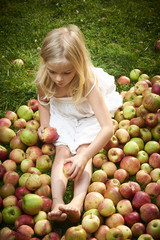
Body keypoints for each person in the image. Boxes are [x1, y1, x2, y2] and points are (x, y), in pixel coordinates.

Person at [35, 24, 123, 223]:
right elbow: (43, 102)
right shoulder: (44, 80)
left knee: (84, 148)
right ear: (45, 64)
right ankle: (57, 201)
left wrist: (84, 156)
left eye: (67, 72)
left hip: (89, 113)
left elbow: (108, 128)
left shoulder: (87, 81)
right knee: (62, 152)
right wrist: (45, 124)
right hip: (64, 113)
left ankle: (78, 201)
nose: (58, 79)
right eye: (53, 71)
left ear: (79, 64)